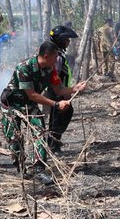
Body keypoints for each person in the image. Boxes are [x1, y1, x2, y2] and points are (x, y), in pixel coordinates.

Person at [0, 41, 86, 183]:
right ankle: (21, 168)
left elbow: (59, 89)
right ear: (46, 56)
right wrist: (56, 104)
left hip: (29, 104)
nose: (57, 60)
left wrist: (75, 89)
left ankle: (39, 169)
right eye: (55, 57)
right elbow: (32, 94)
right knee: (15, 140)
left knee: (39, 132)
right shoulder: (24, 68)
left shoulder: (50, 70)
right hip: (11, 105)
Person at [45, 25, 79, 154]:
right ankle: (53, 146)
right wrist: (64, 93)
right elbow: (56, 76)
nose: (68, 42)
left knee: (60, 117)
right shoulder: (57, 57)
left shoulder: (57, 54)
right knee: (57, 119)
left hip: (60, 91)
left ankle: (54, 144)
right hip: (57, 93)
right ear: (59, 40)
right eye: (66, 39)